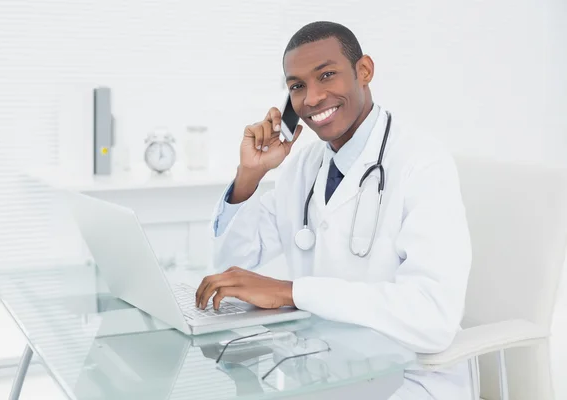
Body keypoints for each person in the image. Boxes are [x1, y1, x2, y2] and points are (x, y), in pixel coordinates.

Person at [195, 21, 473, 400]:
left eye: (326, 75)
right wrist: (250, 174)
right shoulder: (303, 166)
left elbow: (433, 318)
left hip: (410, 379)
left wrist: (293, 292)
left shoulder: (422, 163)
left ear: (364, 71)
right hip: (325, 371)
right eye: (297, 86)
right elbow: (232, 267)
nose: (311, 98)